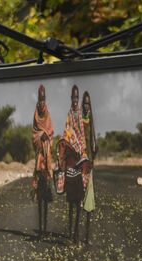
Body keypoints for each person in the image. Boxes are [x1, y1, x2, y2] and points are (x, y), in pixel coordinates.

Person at [58, 85, 88, 242]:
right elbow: (65, 136)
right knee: (70, 202)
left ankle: (76, 232)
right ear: (71, 99)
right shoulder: (69, 116)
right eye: (73, 98)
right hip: (70, 161)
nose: (75, 100)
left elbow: (82, 138)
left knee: (78, 201)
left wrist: (81, 150)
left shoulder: (81, 116)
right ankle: (70, 232)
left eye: (77, 98)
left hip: (80, 157)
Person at [31, 85, 54, 237]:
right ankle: (40, 229)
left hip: (47, 161)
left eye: (43, 100)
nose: (41, 103)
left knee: (46, 196)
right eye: (39, 100)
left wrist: (46, 136)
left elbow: (51, 133)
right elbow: (33, 136)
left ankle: (45, 228)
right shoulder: (35, 118)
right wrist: (40, 137)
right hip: (39, 161)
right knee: (39, 197)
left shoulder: (48, 117)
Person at [80, 91, 98, 244]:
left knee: (89, 200)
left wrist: (94, 152)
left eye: (88, 103)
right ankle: (76, 235)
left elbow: (93, 141)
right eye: (84, 103)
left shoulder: (91, 119)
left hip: (89, 164)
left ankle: (86, 237)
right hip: (80, 162)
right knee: (78, 198)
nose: (86, 106)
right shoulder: (79, 119)